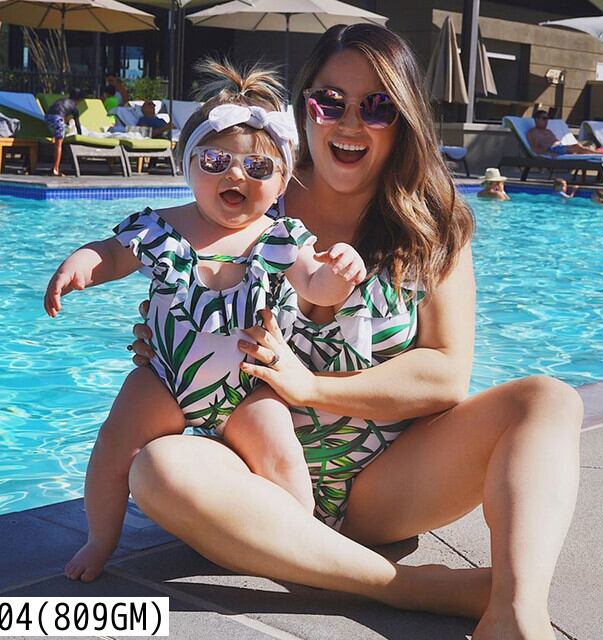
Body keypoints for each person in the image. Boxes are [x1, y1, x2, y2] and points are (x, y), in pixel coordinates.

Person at [127, 25, 582, 639]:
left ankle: (516, 610)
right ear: (304, 108)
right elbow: (182, 294)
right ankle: (411, 588)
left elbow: (446, 373)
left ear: (404, 119)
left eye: (376, 106)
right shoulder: (251, 197)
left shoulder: (434, 224)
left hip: (388, 484)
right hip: (252, 472)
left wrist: (311, 387)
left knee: (549, 400)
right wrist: (170, 339)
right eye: (330, 101)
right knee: (157, 469)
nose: (349, 123)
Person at [44, 61, 368, 583]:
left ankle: (304, 548)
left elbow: (316, 285)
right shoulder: (161, 228)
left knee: (284, 461)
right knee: (114, 444)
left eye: (258, 167)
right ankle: (100, 538)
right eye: (216, 161)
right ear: (188, 165)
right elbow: (112, 253)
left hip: (248, 388)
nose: (236, 175)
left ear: (282, 182)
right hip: (165, 379)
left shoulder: (280, 237)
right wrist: (82, 264)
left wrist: (341, 272)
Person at [527, 110, 603, 156]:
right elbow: (534, 149)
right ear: (536, 119)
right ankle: (600, 154)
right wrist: (548, 153)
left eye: (547, 118)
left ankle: (599, 153)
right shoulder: (533, 132)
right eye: (544, 118)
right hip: (553, 149)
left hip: (561, 147)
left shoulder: (548, 131)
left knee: (587, 145)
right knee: (578, 147)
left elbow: (556, 141)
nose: (546, 121)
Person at [44, 89, 84, 177]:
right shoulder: (74, 108)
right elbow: (77, 124)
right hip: (57, 119)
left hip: (48, 117)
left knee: (57, 142)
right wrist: (81, 136)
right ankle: (55, 169)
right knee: (59, 145)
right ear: (79, 99)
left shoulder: (62, 100)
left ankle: (55, 167)